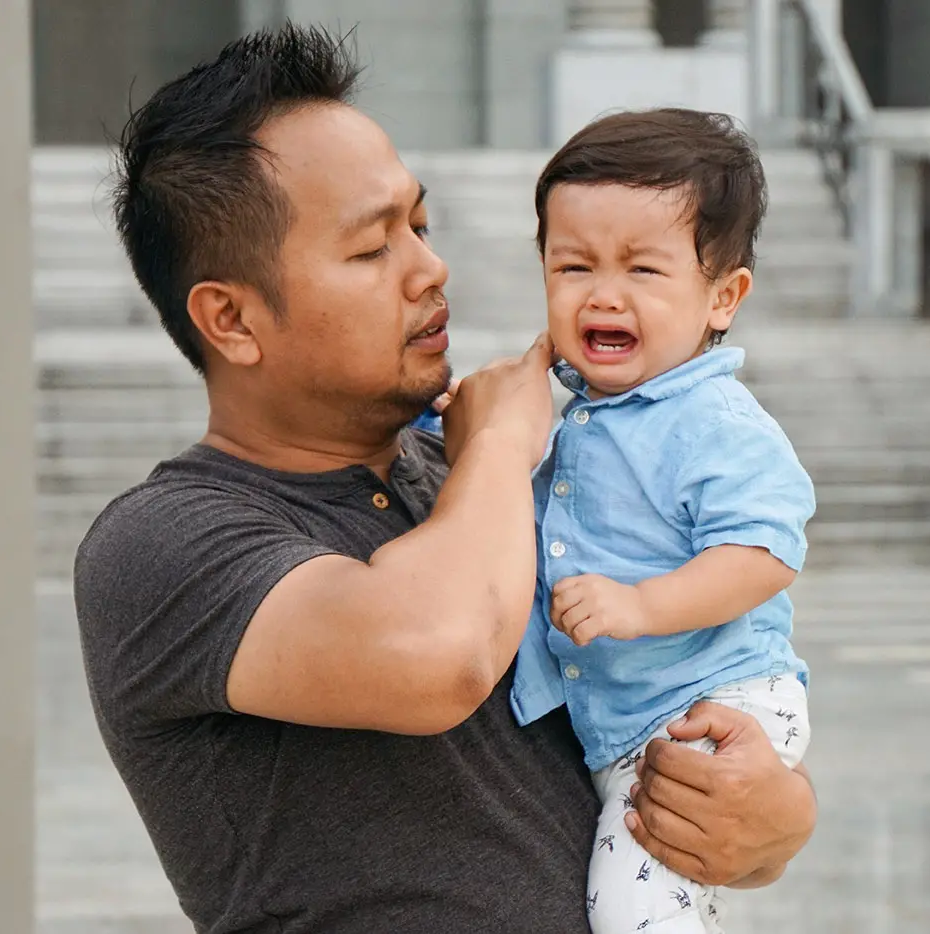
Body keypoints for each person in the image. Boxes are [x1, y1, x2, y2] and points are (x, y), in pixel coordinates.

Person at [73, 23, 816, 934]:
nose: (431, 268)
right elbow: (434, 654)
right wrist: (502, 444)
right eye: (372, 247)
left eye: (419, 224)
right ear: (230, 318)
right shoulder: (163, 544)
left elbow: (679, 682)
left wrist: (773, 816)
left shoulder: (475, 475)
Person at [506, 110, 815, 933]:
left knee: (636, 908)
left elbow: (761, 552)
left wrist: (642, 607)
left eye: (643, 269)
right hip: (630, 726)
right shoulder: (577, 410)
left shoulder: (712, 420)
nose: (603, 293)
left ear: (722, 296)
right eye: (573, 266)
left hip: (712, 709)